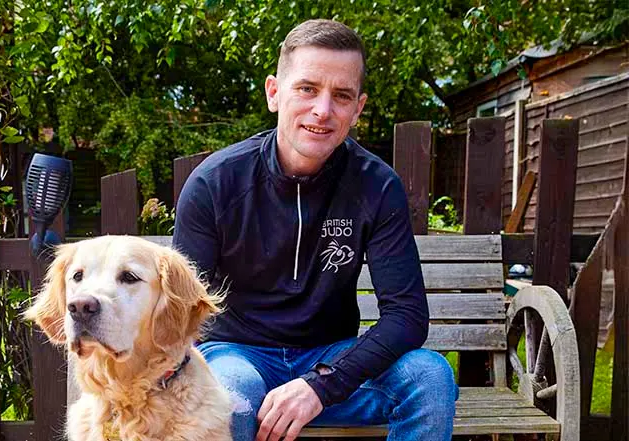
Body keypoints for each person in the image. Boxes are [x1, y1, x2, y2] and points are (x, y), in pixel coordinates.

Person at [172, 19, 457, 441]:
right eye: (307, 88)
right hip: (235, 355)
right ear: (274, 92)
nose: (323, 110)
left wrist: (321, 385)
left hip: (331, 361)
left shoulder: (376, 186)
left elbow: (407, 316)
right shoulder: (214, 183)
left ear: (358, 108)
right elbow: (180, 312)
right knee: (235, 392)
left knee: (430, 377)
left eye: (341, 96)